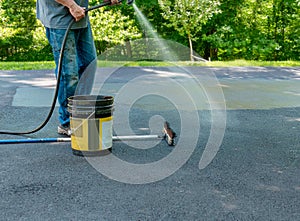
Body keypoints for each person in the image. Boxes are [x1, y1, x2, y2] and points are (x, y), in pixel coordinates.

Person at [36, 0, 118, 136]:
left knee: (89, 64)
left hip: (80, 16)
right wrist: (72, 6)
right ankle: (68, 122)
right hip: (59, 18)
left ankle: (80, 113)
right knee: (68, 73)